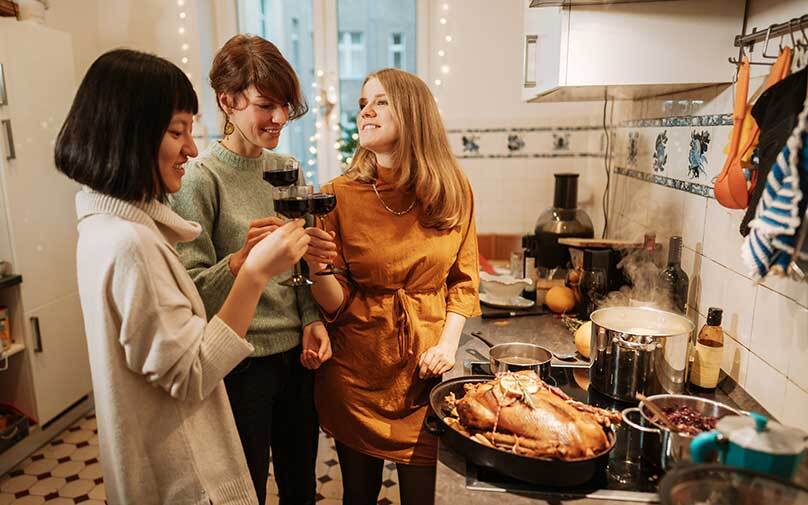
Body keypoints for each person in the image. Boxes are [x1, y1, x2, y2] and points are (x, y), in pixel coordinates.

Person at [56, 49, 310, 505]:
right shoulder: (129, 243)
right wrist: (250, 270)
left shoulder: (110, 227)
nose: (190, 148)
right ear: (130, 133)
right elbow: (192, 371)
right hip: (186, 477)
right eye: (177, 131)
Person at [304, 68, 481, 505]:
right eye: (363, 103)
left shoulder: (453, 190)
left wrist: (447, 347)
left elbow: (463, 282)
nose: (366, 110)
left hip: (424, 376)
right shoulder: (337, 195)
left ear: (414, 112)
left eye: (380, 101)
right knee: (357, 497)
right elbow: (336, 305)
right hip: (357, 373)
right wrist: (318, 268)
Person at [171, 34, 332, 505]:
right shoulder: (199, 179)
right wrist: (240, 260)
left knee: (301, 485)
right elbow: (196, 292)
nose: (279, 118)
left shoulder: (286, 168)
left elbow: (302, 256)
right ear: (227, 100)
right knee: (246, 491)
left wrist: (311, 319)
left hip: (298, 361)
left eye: (284, 105)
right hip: (240, 367)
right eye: (265, 104)